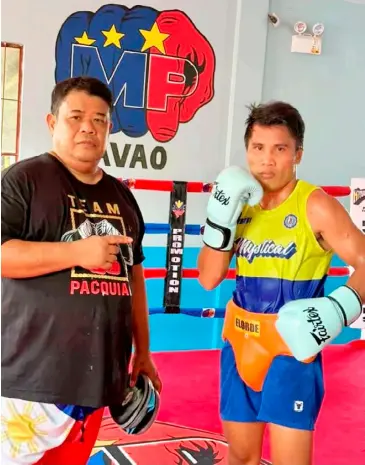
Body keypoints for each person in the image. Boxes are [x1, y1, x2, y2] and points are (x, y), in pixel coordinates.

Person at [1, 76, 161, 465]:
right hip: (29, 380)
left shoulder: (122, 197)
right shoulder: (24, 180)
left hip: (95, 380)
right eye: (76, 116)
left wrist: (143, 351)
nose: (89, 127)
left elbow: (133, 276)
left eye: (100, 120)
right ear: (53, 123)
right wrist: (75, 253)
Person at [197, 101, 365, 465]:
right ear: (247, 151)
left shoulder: (316, 205)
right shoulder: (239, 203)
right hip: (238, 342)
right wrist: (219, 221)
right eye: (258, 148)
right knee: (241, 459)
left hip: (291, 346)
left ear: (297, 155)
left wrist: (339, 308)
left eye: (279, 149)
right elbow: (209, 278)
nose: (267, 161)